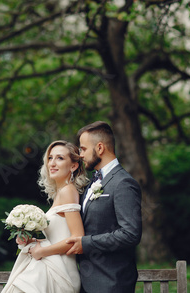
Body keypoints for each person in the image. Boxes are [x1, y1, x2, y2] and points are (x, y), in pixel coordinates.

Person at [2, 140, 89, 293]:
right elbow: (59, 237)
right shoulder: (60, 193)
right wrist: (31, 240)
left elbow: (77, 239)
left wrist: (42, 251)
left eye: (60, 158)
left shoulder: (68, 191)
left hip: (61, 272)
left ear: (73, 166)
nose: (52, 163)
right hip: (51, 266)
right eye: (50, 158)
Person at [66, 121, 142, 293]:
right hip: (86, 282)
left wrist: (86, 243)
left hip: (111, 283)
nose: (80, 155)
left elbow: (130, 234)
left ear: (100, 148)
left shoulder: (123, 183)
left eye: (83, 149)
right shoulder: (93, 181)